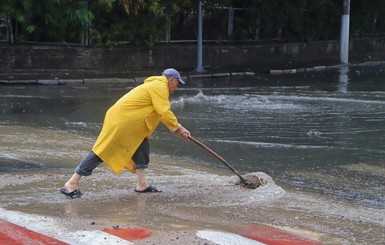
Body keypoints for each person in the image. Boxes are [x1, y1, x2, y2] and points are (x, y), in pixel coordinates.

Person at [60, 68, 191, 198]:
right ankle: (72, 183)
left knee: (142, 146)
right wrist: (178, 128)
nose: (177, 87)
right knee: (104, 150)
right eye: (177, 83)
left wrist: (177, 128)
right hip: (123, 121)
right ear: (171, 79)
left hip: (131, 123)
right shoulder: (160, 86)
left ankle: (142, 184)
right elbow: (164, 111)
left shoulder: (155, 85)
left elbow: (160, 112)